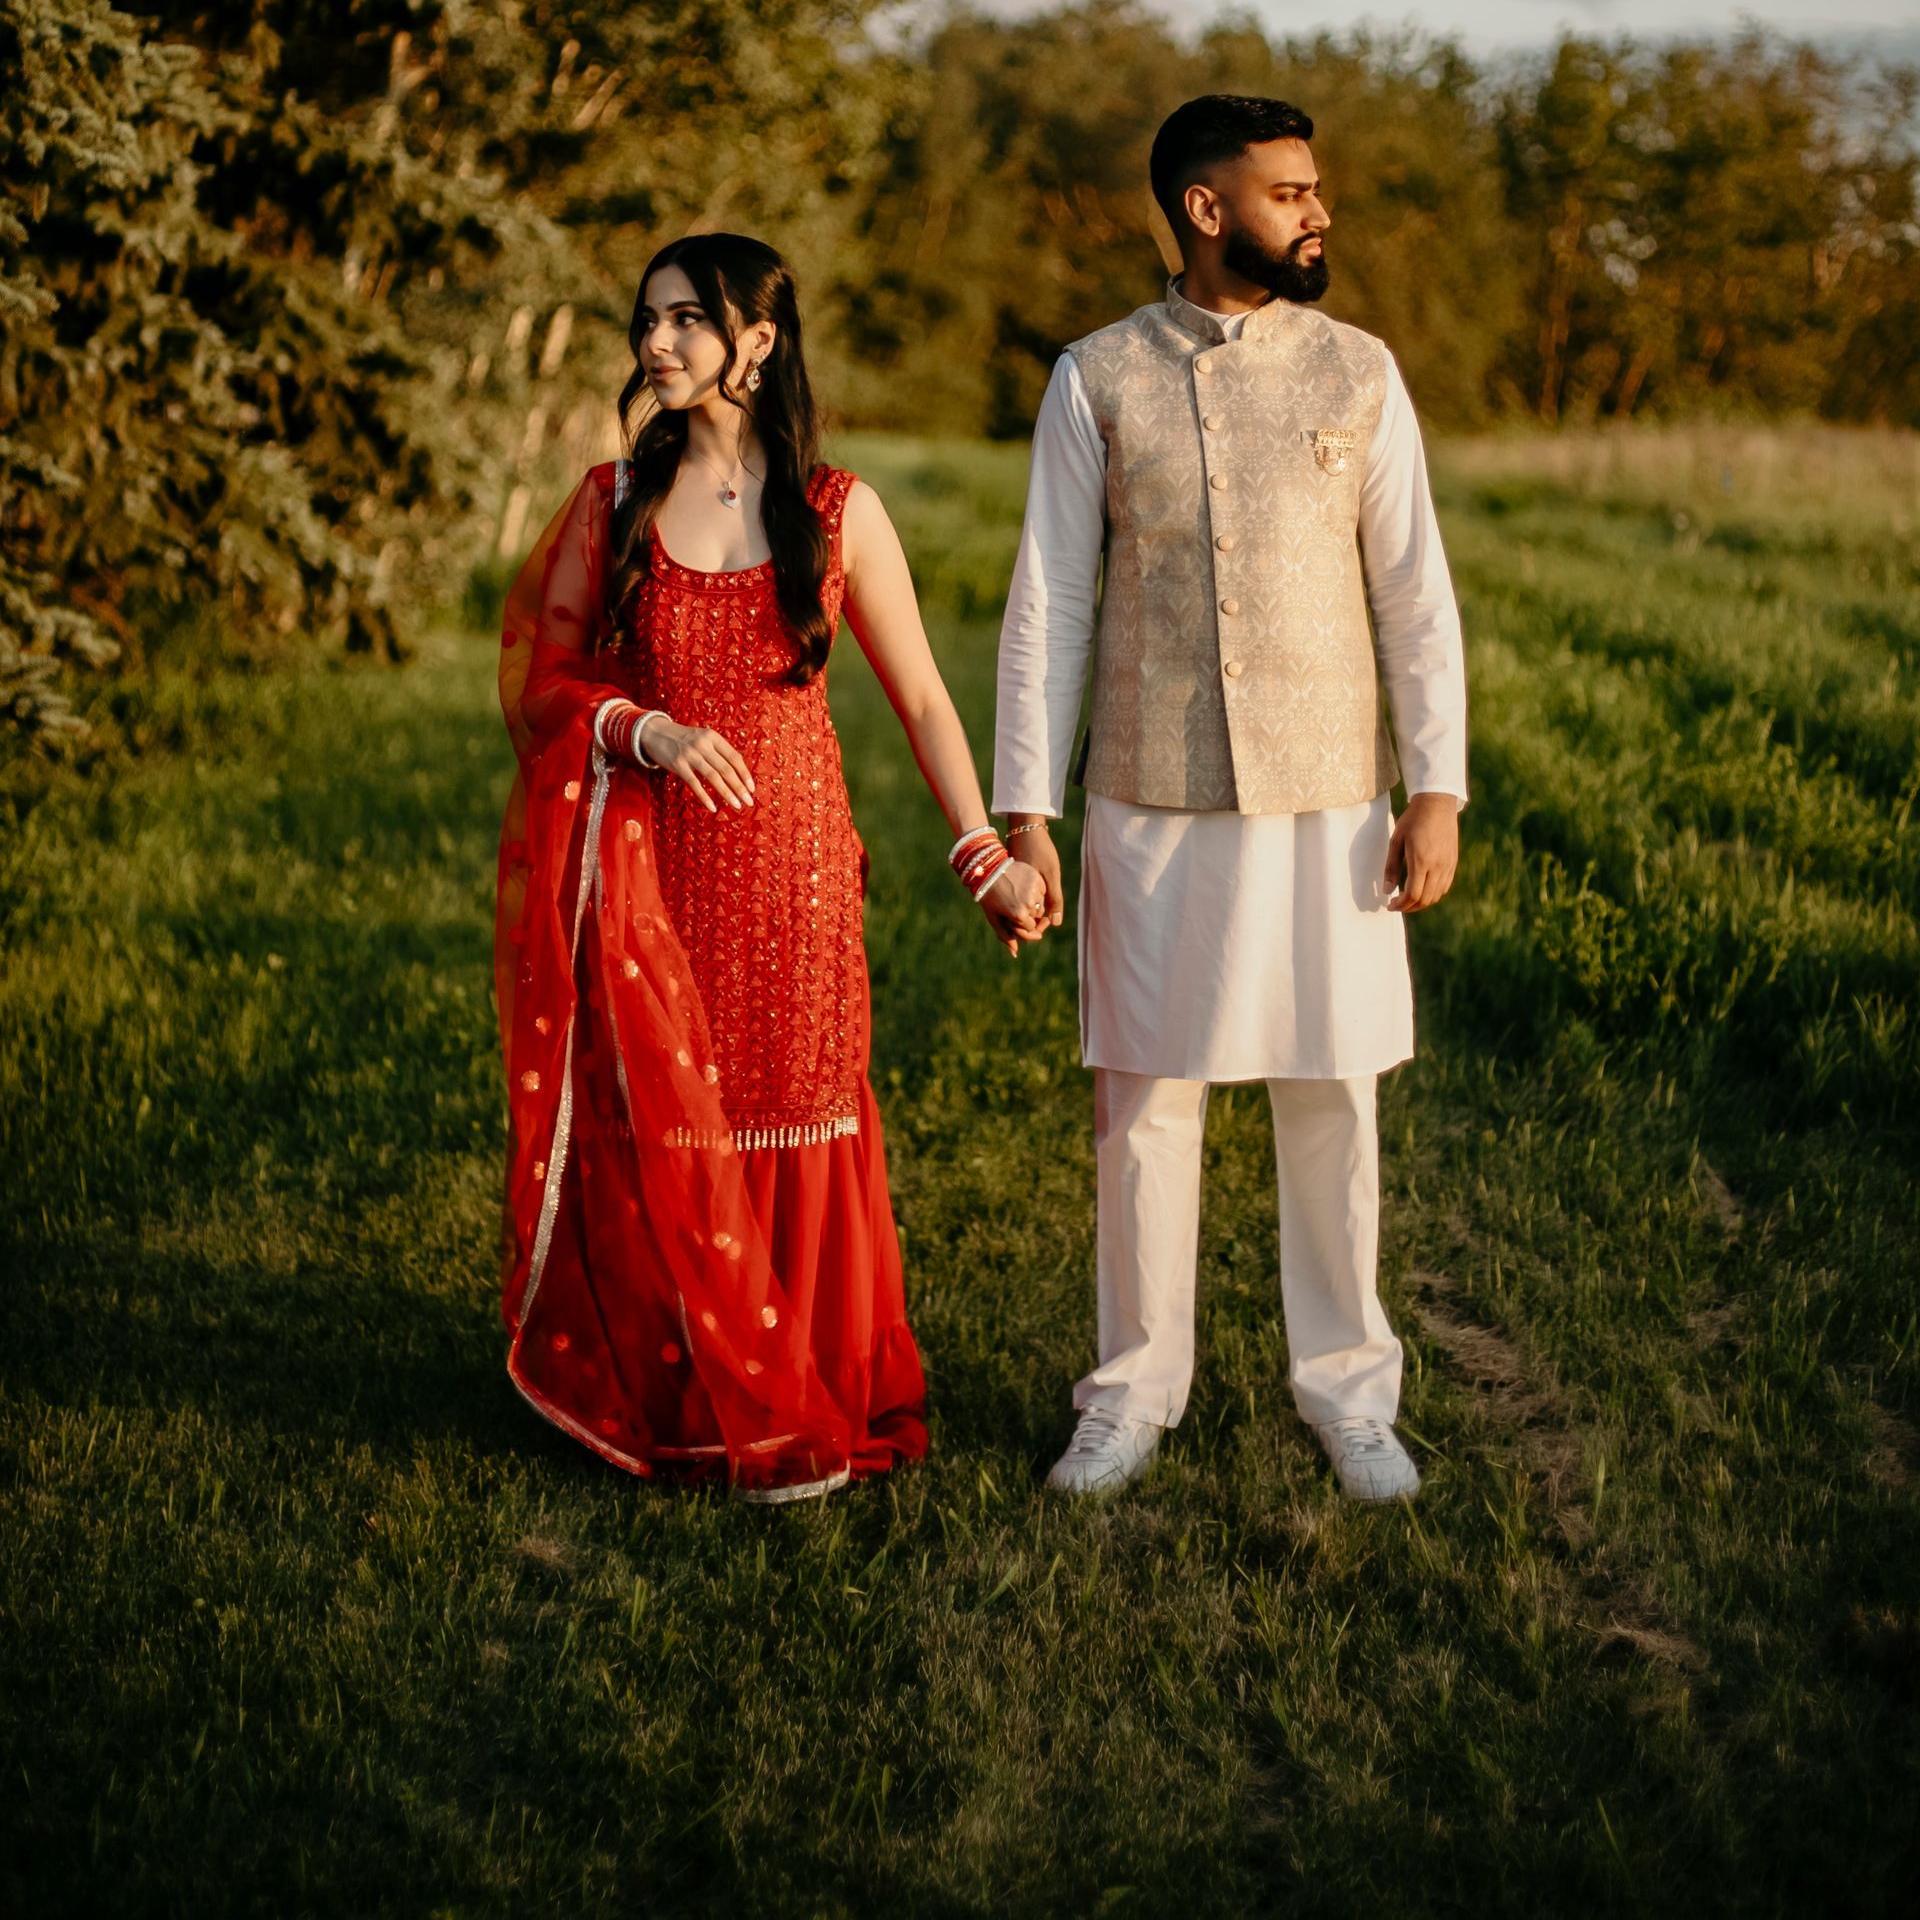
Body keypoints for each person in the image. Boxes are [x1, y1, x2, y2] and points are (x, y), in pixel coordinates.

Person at [496, 233, 1047, 1502]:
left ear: (757, 339)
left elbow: (924, 697)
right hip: (652, 877)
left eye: (686, 319)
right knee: (669, 1112)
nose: (656, 343)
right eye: (648, 319)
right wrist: (642, 728)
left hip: (796, 872)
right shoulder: (614, 502)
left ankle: (807, 1388)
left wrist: (985, 854)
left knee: (797, 1102)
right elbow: (542, 680)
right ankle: (687, 1396)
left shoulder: (839, 509)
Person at [994, 95, 1467, 1503]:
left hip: (1335, 797)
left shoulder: (1362, 370)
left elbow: (1414, 593)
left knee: (1334, 1092)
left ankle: (1352, 1396)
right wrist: (1028, 809)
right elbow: (1050, 598)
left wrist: (1436, 785)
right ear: (1206, 209)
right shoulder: (1096, 375)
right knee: (1144, 1099)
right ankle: (1130, 1396)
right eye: (1289, 192)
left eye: (1315, 190)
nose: (1317, 212)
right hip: (1150, 789)